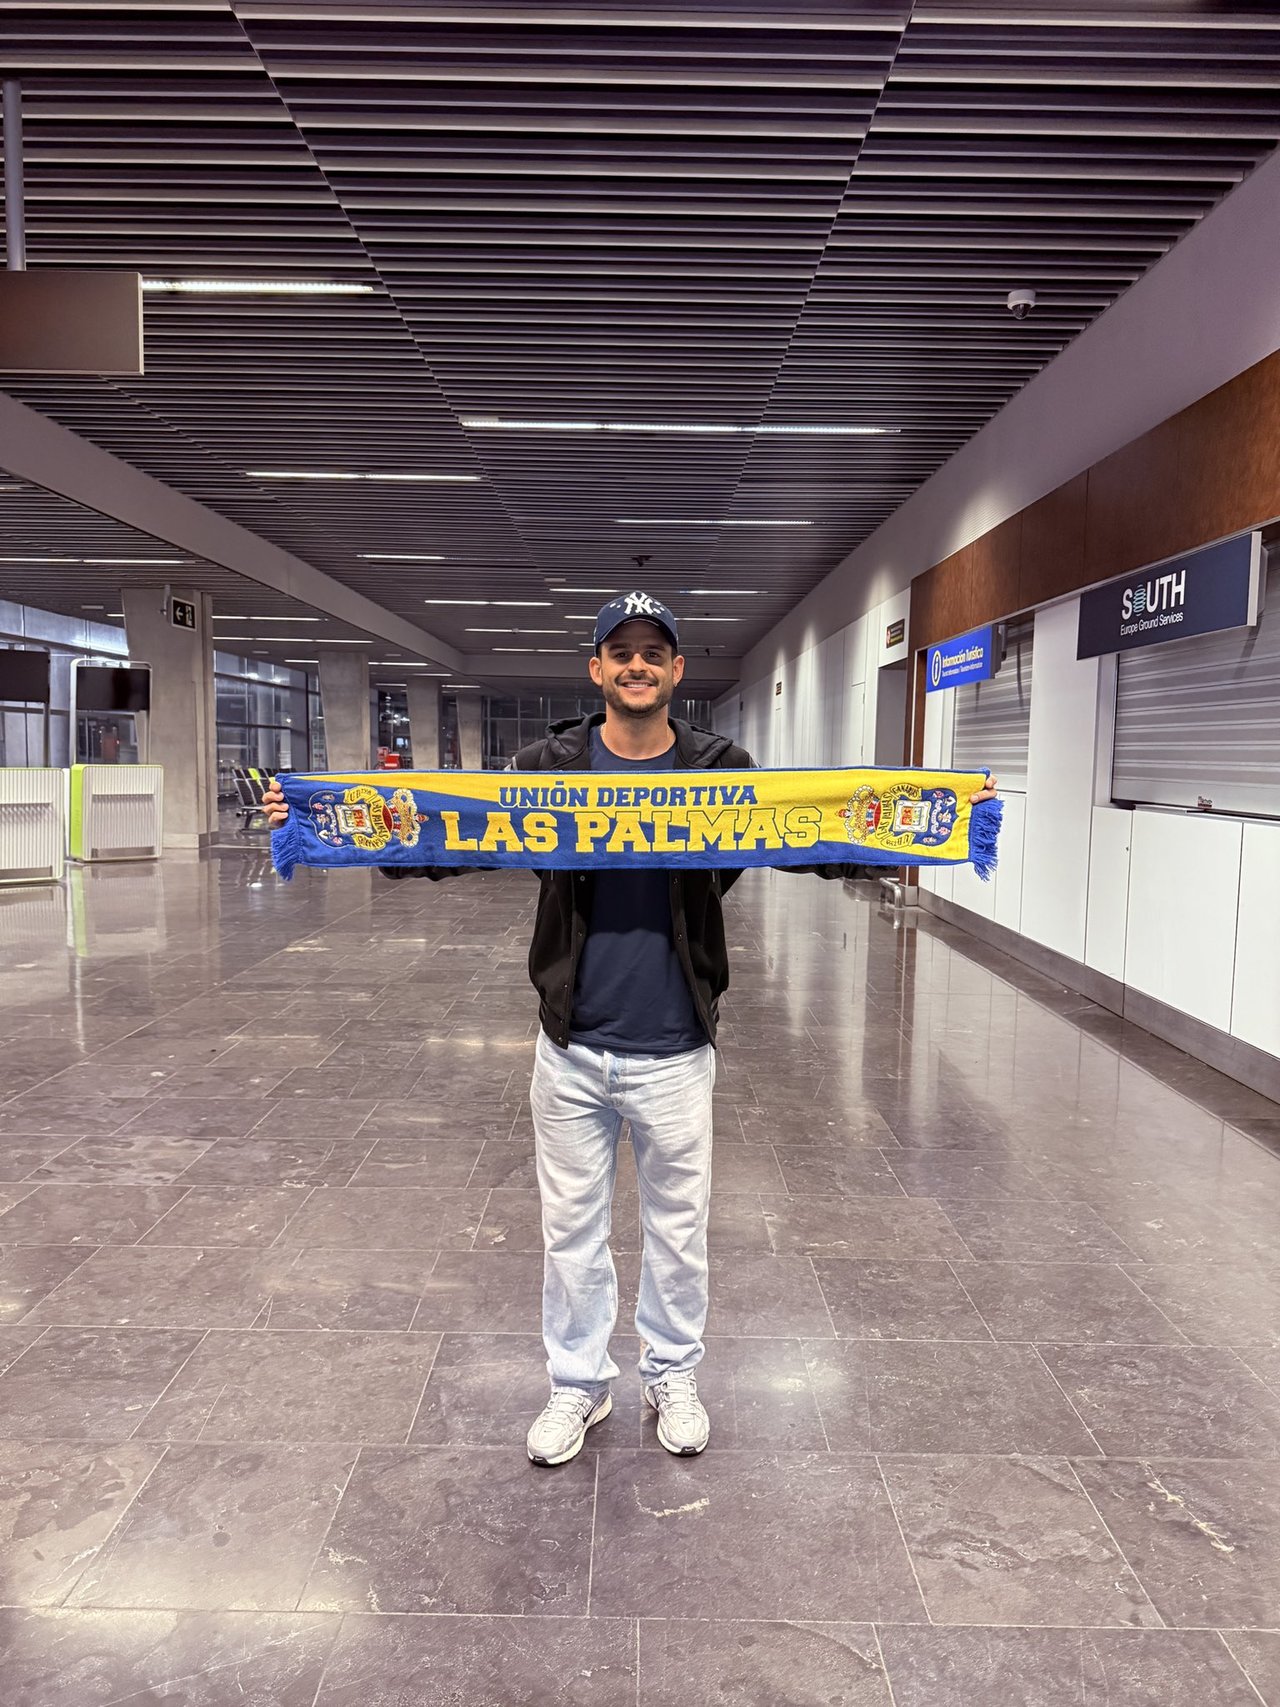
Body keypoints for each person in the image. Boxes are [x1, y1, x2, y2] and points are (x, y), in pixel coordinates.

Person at [263, 592, 997, 1466]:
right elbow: (450, 830)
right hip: (571, 1048)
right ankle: (578, 1383)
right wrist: (314, 822)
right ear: (597, 668)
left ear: (677, 670)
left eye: (654, 652)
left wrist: (941, 816)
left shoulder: (720, 769)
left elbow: (809, 830)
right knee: (570, 1233)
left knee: (678, 1233)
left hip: (676, 1049)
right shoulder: (549, 766)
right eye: (622, 652)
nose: (637, 665)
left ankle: (672, 1374)